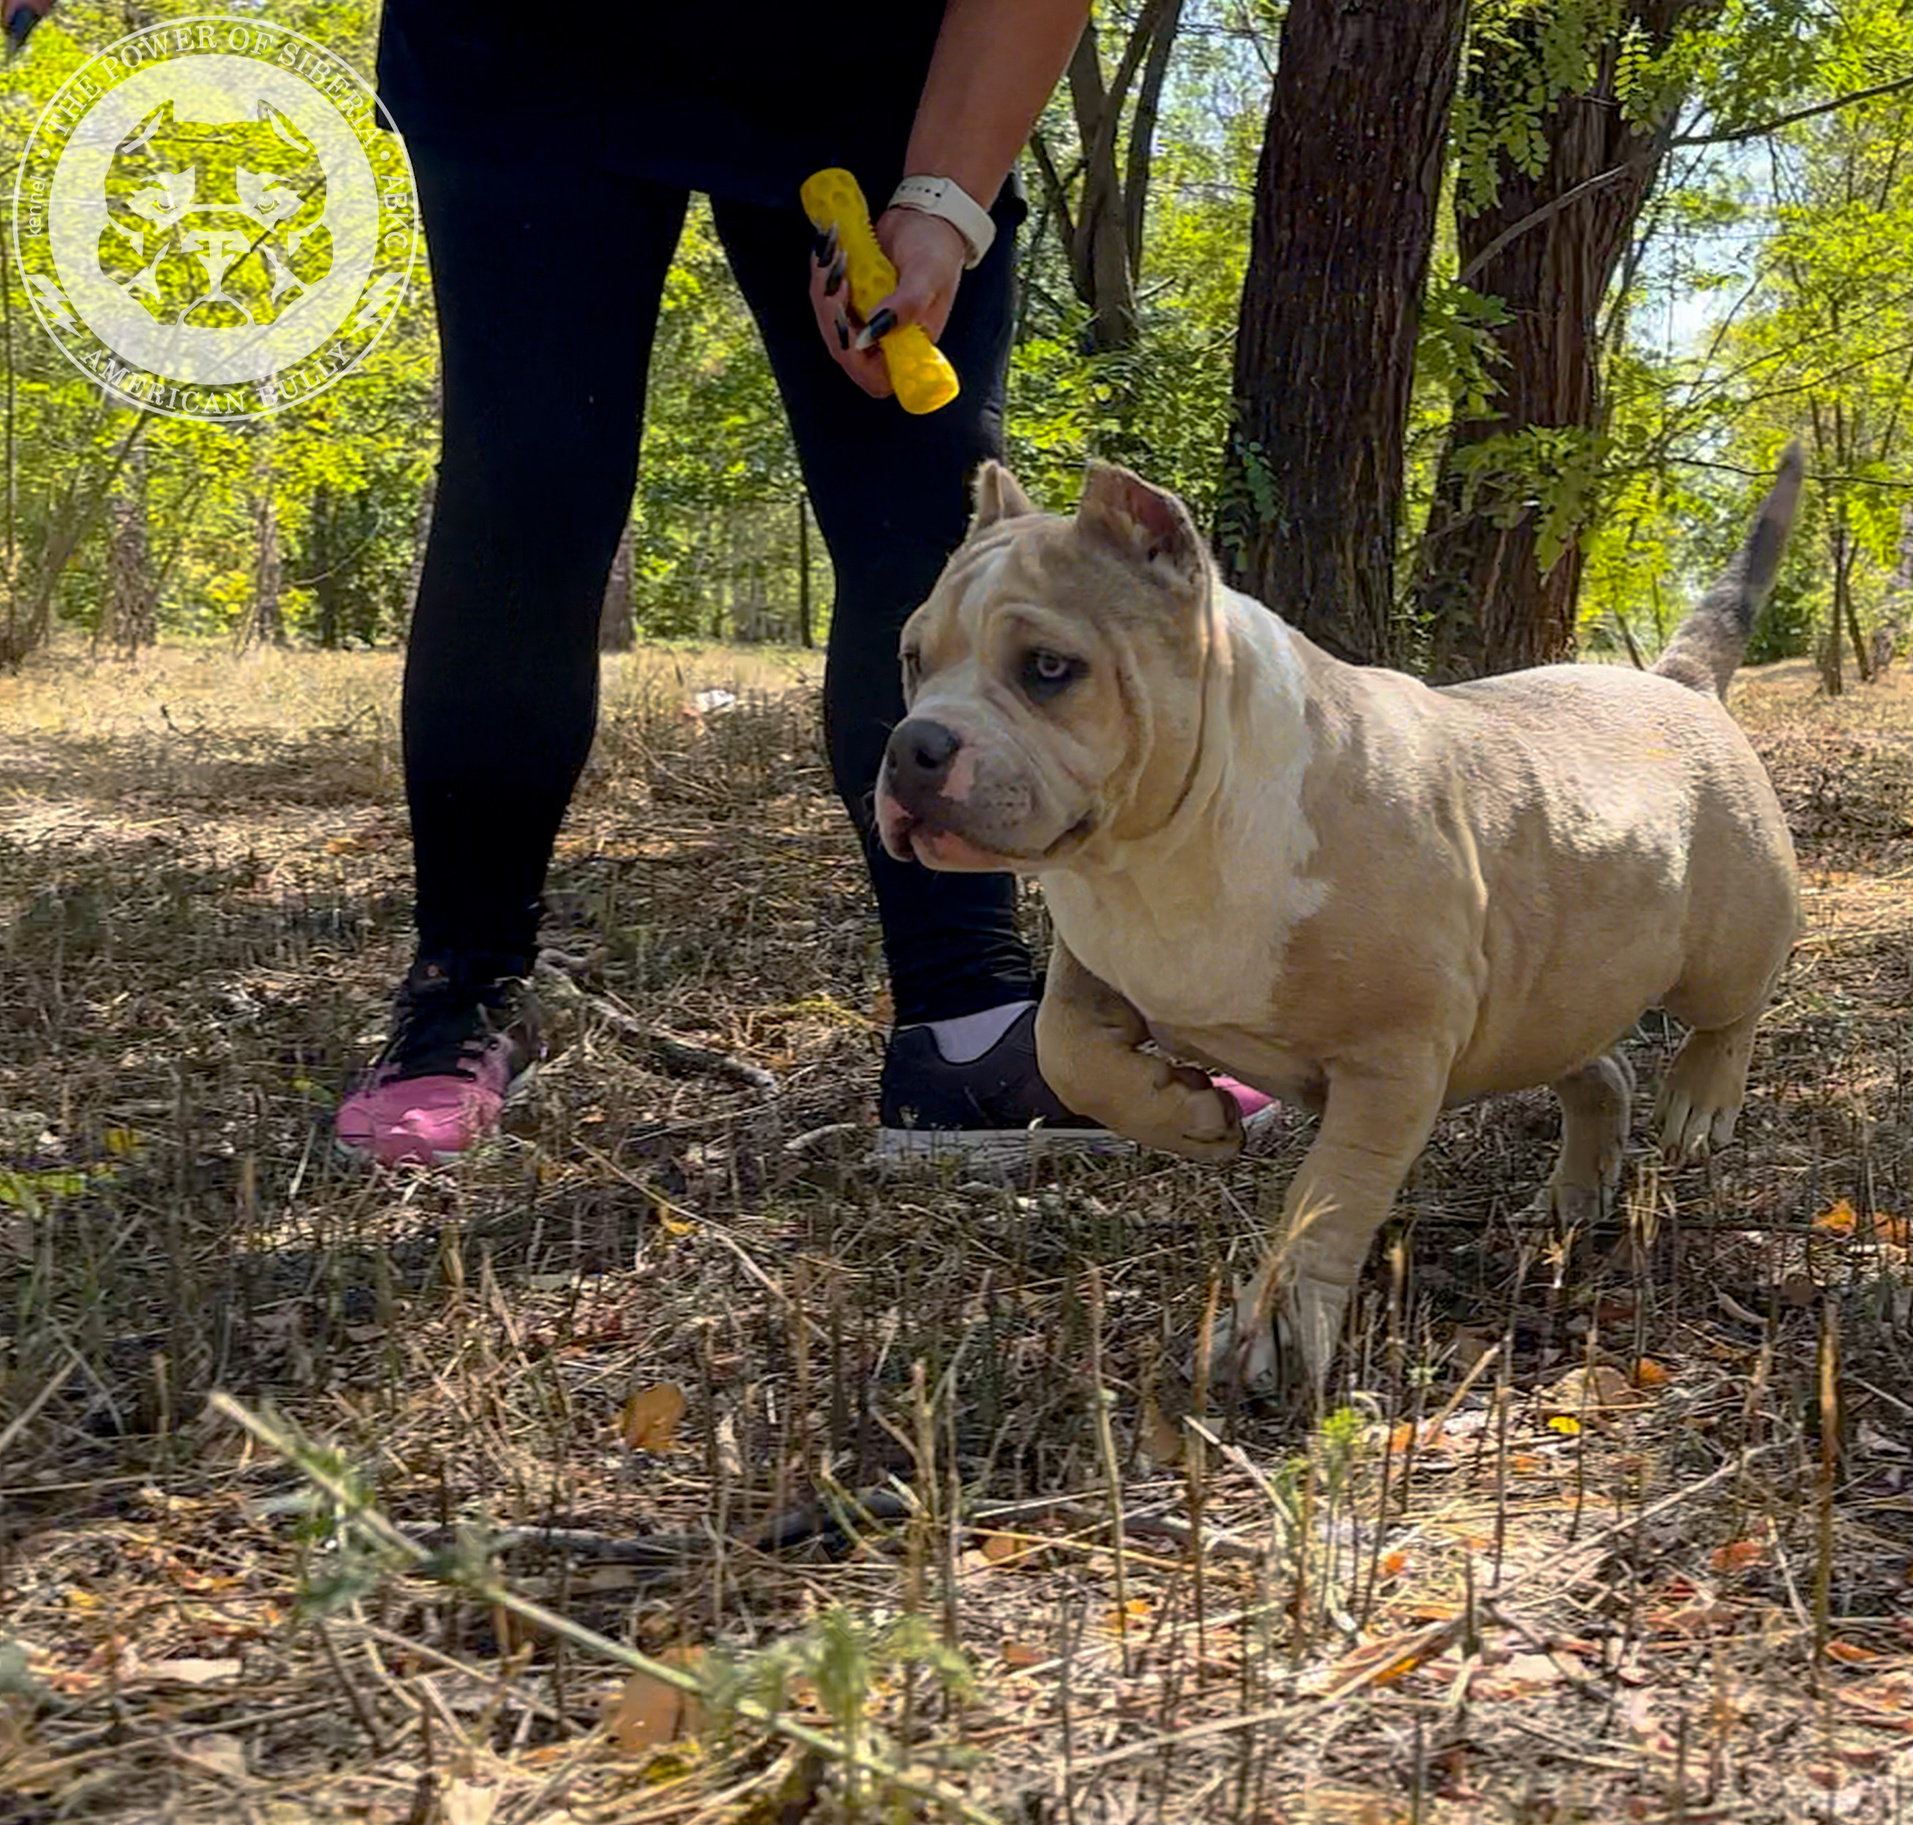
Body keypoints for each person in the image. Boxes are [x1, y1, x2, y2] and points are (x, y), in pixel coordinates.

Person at [323, 0, 1270, 1168]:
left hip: (866, 66)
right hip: (526, 56)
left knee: (926, 513)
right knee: (527, 484)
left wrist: (941, 203)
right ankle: (458, 995)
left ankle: (966, 1029)